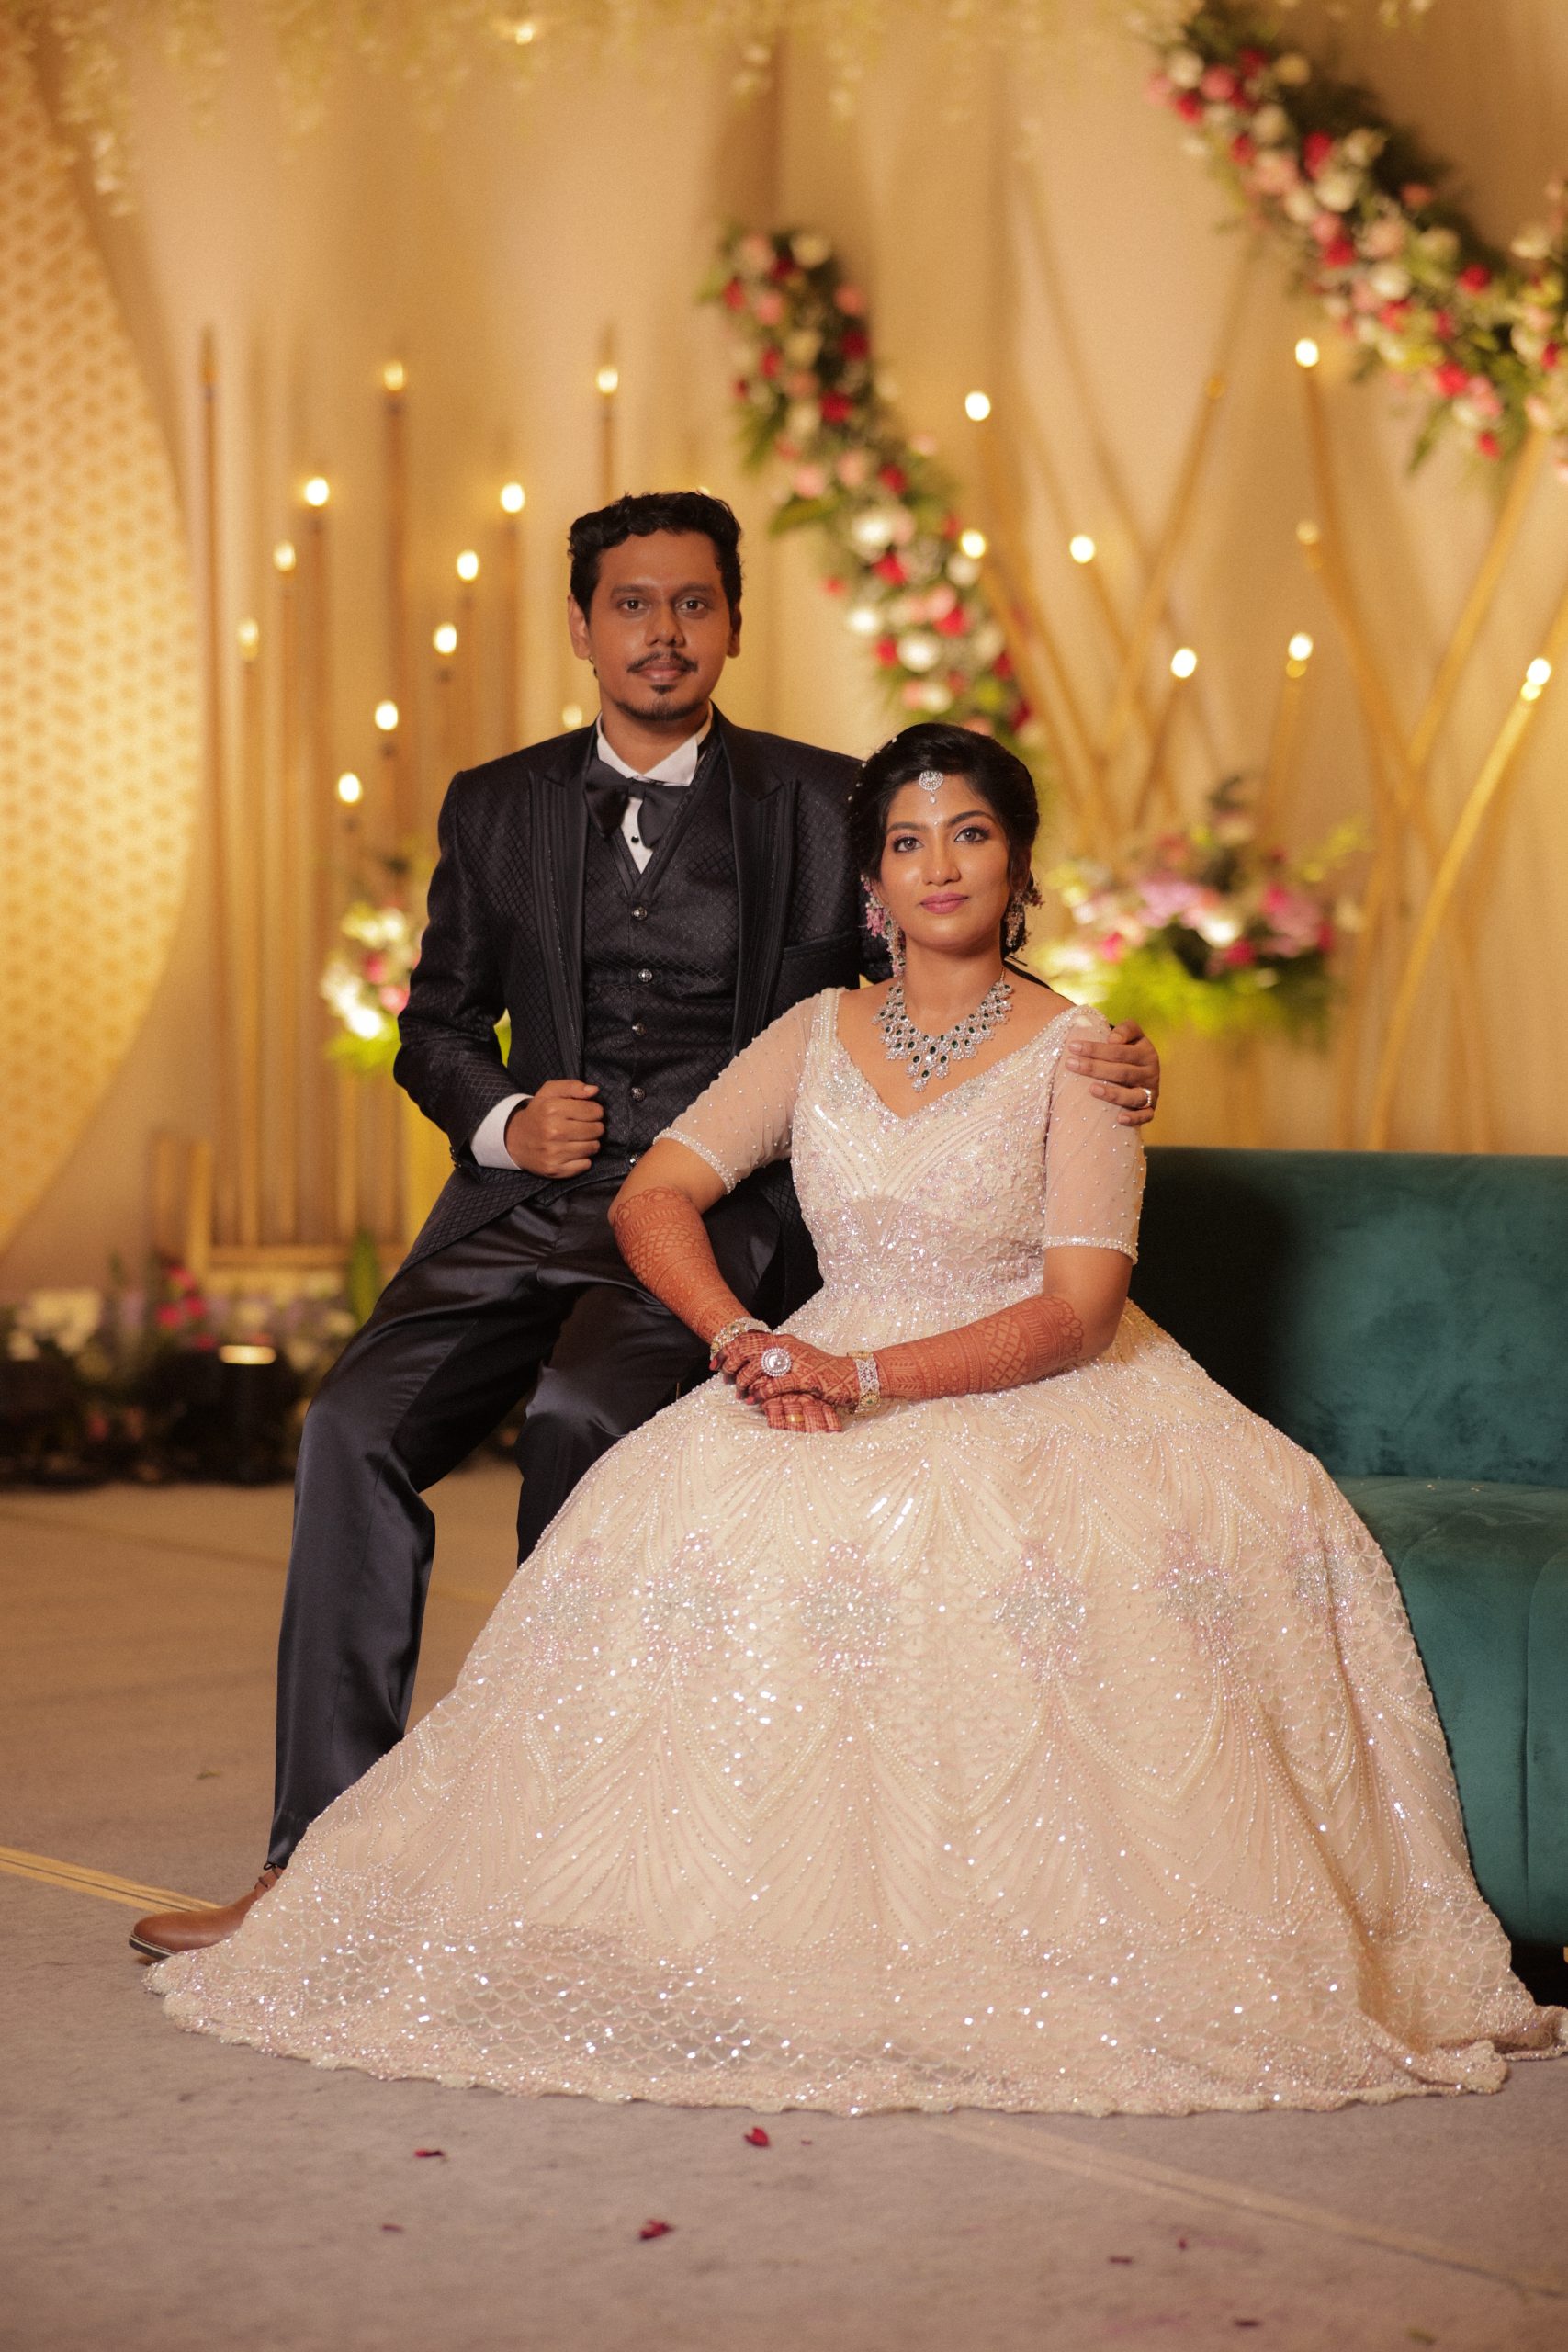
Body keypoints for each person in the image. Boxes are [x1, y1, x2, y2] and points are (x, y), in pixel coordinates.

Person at [148, 722, 1562, 2115]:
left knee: (981, 1561)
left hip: (1031, 1383)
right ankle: (635, 1927)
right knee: (658, 1522)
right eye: (907, 842)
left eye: (971, 835)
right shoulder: (814, 1032)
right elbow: (655, 1198)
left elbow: (1078, 1313)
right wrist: (739, 1340)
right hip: (809, 1355)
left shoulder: (1083, 1054)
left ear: (1019, 869)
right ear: (871, 884)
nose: (939, 866)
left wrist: (869, 1380)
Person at [130, 498, 1160, 1964]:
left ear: (732, 623)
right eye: (631, 604)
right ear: (582, 626)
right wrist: (503, 1117)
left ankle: (550, 1856)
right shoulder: (495, 806)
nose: (662, 633)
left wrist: (1101, 1062)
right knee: (348, 1428)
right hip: (525, 1204)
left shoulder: (821, 802)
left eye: (692, 604)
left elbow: (955, 964)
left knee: (585, 1419)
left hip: (719, 1214)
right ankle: (315, 1867)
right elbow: (435, 1027)